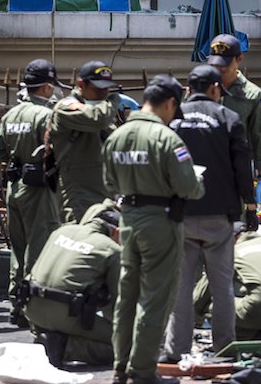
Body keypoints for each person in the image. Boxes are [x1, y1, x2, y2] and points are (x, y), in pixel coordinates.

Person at [102, 74, 204, 384]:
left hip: (128, 220)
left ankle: (121, 366)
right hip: (160, 222)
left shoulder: (116, 136)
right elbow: (188, 186)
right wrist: (198, 183)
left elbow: (108, 184)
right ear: (170, 103)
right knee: (155, 299)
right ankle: (143, 371)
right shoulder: (168, 139)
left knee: (127, 297)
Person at [161, 65, 255, 362]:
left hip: (181, 214)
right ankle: (225, 348)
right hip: (219, 216)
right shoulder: (229, 118)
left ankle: (177, 349)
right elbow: (242, 167)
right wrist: (250, 206)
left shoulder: (173, 120)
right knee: (222, 287)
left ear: (188, 88)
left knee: (181, 287)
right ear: (215, 89)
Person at [0, 59, 65, 326]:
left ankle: (15, 303)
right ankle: (31, 306)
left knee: (18, 248)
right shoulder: (46, 115)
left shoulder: (11, 114)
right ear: (46, 88)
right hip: (38, 190)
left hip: (14, 188)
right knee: (39, 247)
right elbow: (59, 150)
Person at [23, 200, 122, 367]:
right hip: (65, 314)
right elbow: (119, 301)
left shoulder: (61, 231)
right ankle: (65, 347)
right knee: (126, 349)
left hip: (31, 308)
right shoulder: (110, 249)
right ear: (117, 232)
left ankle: (43, 336)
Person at [50, 60, 119, 223]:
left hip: (104, 192)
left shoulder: (101, 108)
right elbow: (97, 119)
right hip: (78, 193)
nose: (104, 94)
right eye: (98, 89)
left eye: (107, 88)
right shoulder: (66, 107)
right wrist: (114, 102)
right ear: (81, 84)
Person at [207, 34, 261, 205]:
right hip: (204, 166)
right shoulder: (201, 87)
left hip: (235, 170)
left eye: (225, 64)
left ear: (239, 59)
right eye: (216, 64)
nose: (220, 69)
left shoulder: (251, 94)